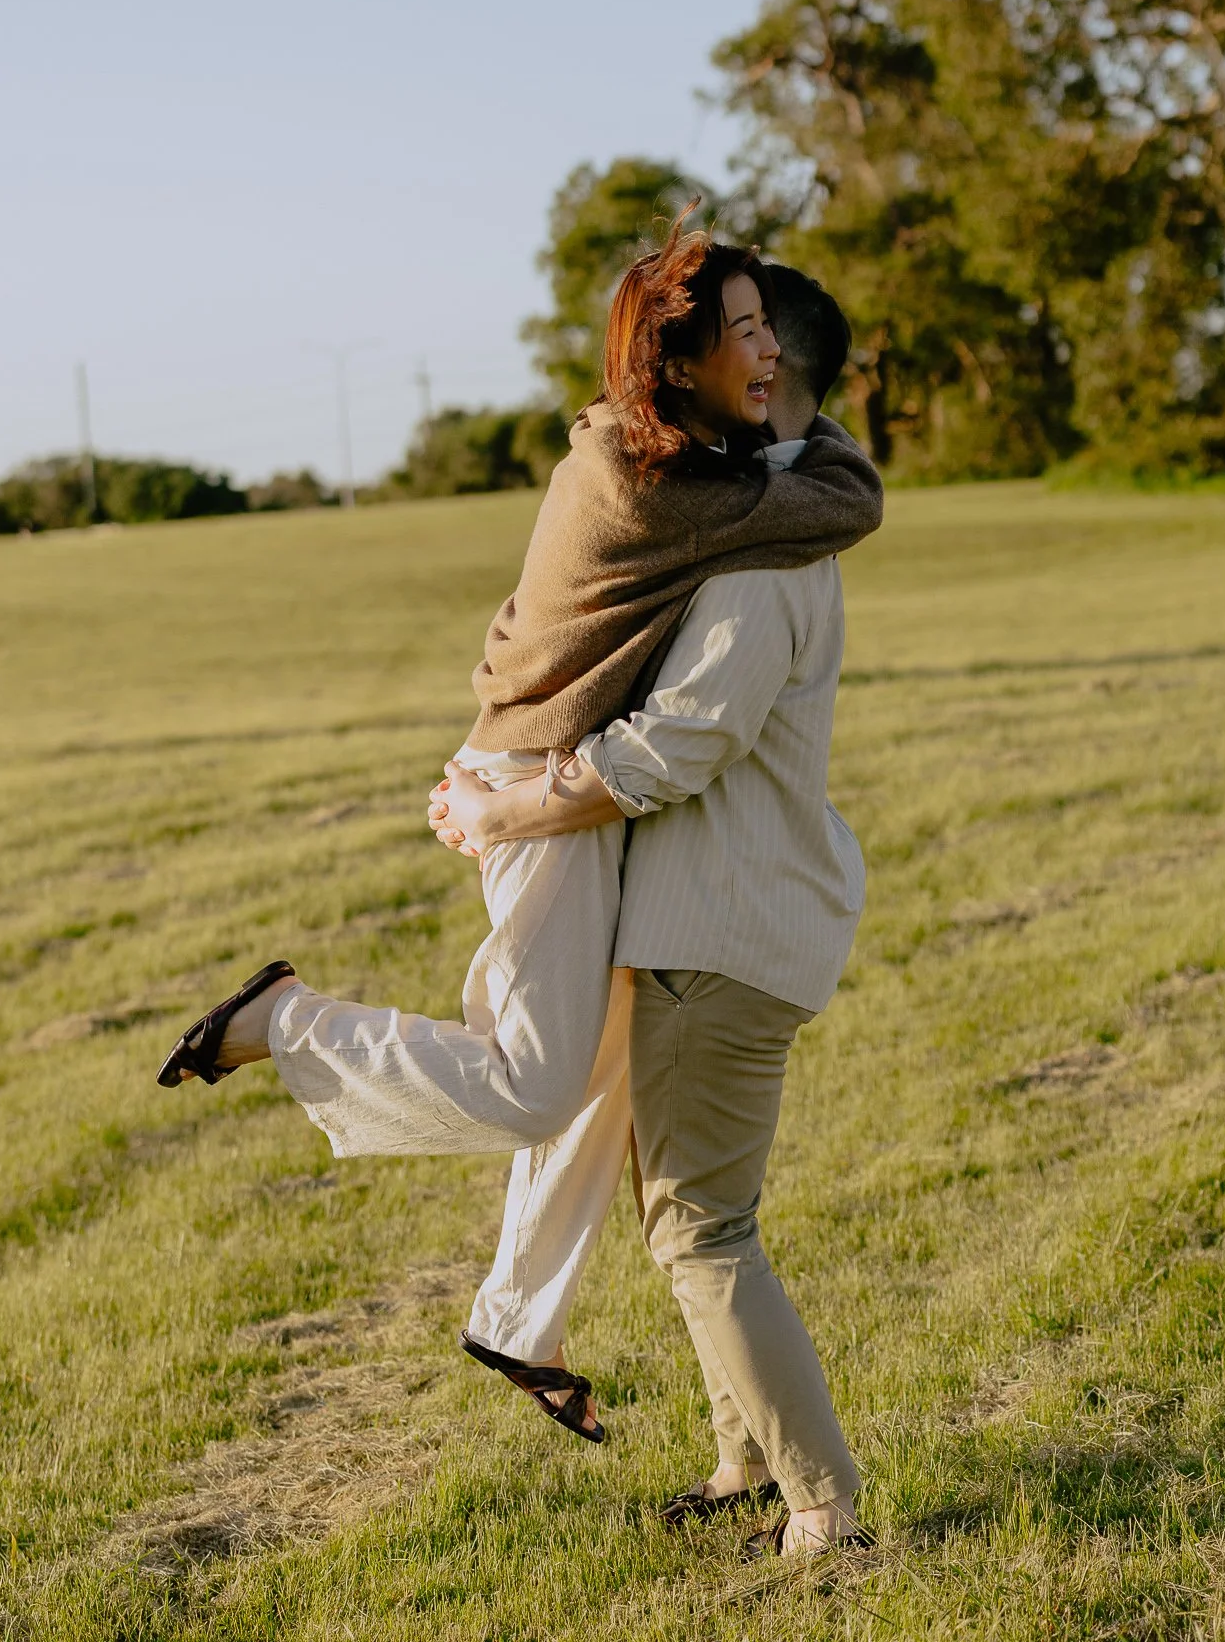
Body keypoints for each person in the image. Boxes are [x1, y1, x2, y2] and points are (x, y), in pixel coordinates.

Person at [155, 221, 883, 1448]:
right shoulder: (673, 489)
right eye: (742, 332)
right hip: (543, 781)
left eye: (769, 331)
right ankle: (284, 1020)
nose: (762, 354)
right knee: (535, 1081)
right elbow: (846, 497)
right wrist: (501, 790)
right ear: (680, 360)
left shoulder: (652, 452)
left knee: (597, 1070)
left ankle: (515, 1323)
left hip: (549, 761)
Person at [434, 267, 872, 1558]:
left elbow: (676, 745)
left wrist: (507, 807)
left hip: (716, 931)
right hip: (724, 921)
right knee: (688, 1222)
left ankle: (821, 1503)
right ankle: (745, 1462)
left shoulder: (760, 558)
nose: (744, 354)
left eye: (755, 337)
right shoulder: (765, 522)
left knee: (704, 1231)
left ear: (776, 376)